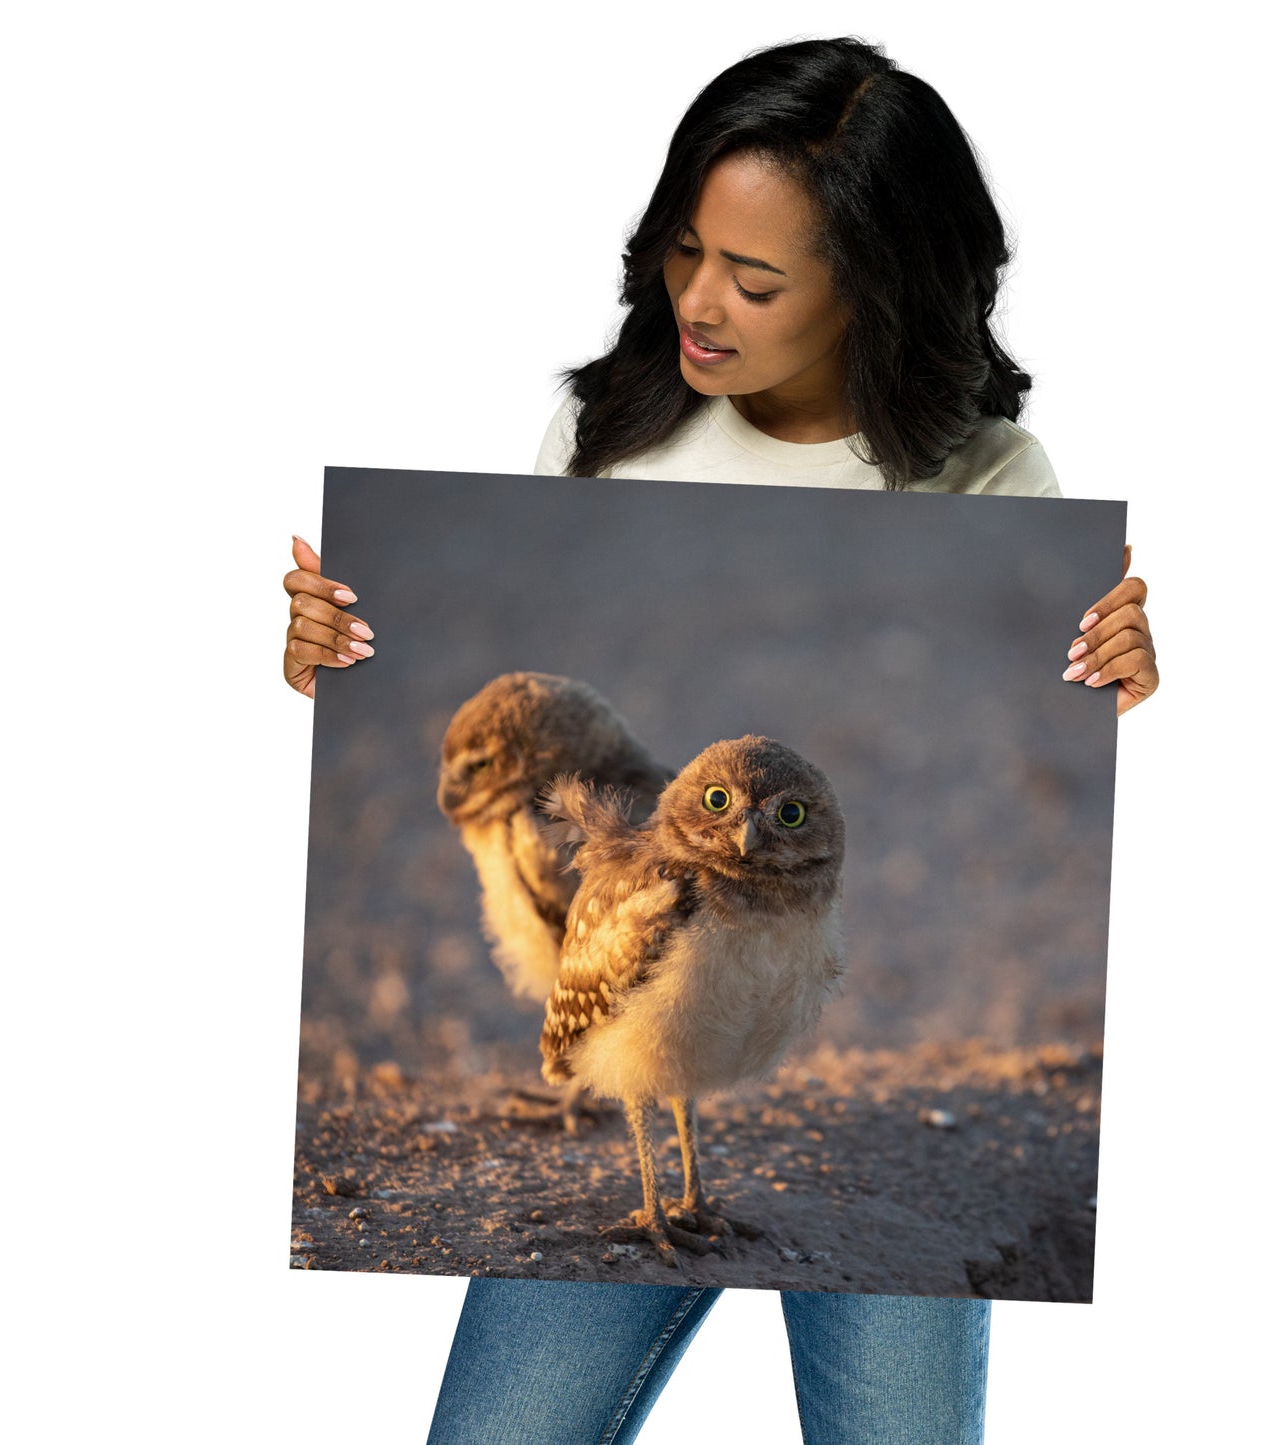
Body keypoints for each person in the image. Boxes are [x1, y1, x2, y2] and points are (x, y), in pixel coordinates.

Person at [283, 37, 1158, 1444]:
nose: (699, 300)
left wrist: (1127, 673)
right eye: (685, 252)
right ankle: (661, 1188)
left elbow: (1105, 695)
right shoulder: (603, 424)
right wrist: (316, 652)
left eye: (753, 280)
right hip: (629, 993)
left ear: (873, 288)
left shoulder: (989, 472)